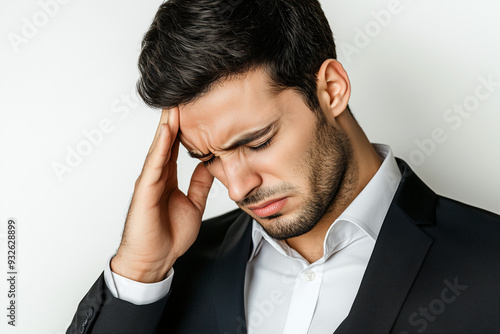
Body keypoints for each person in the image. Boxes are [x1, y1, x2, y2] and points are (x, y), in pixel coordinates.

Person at [67, 0, 500, 333]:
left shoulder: (489, 263)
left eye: (257, 142)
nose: (237, 188)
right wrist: (139, 272)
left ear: (331, 89)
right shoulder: (169, 275)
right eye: (207, 158)